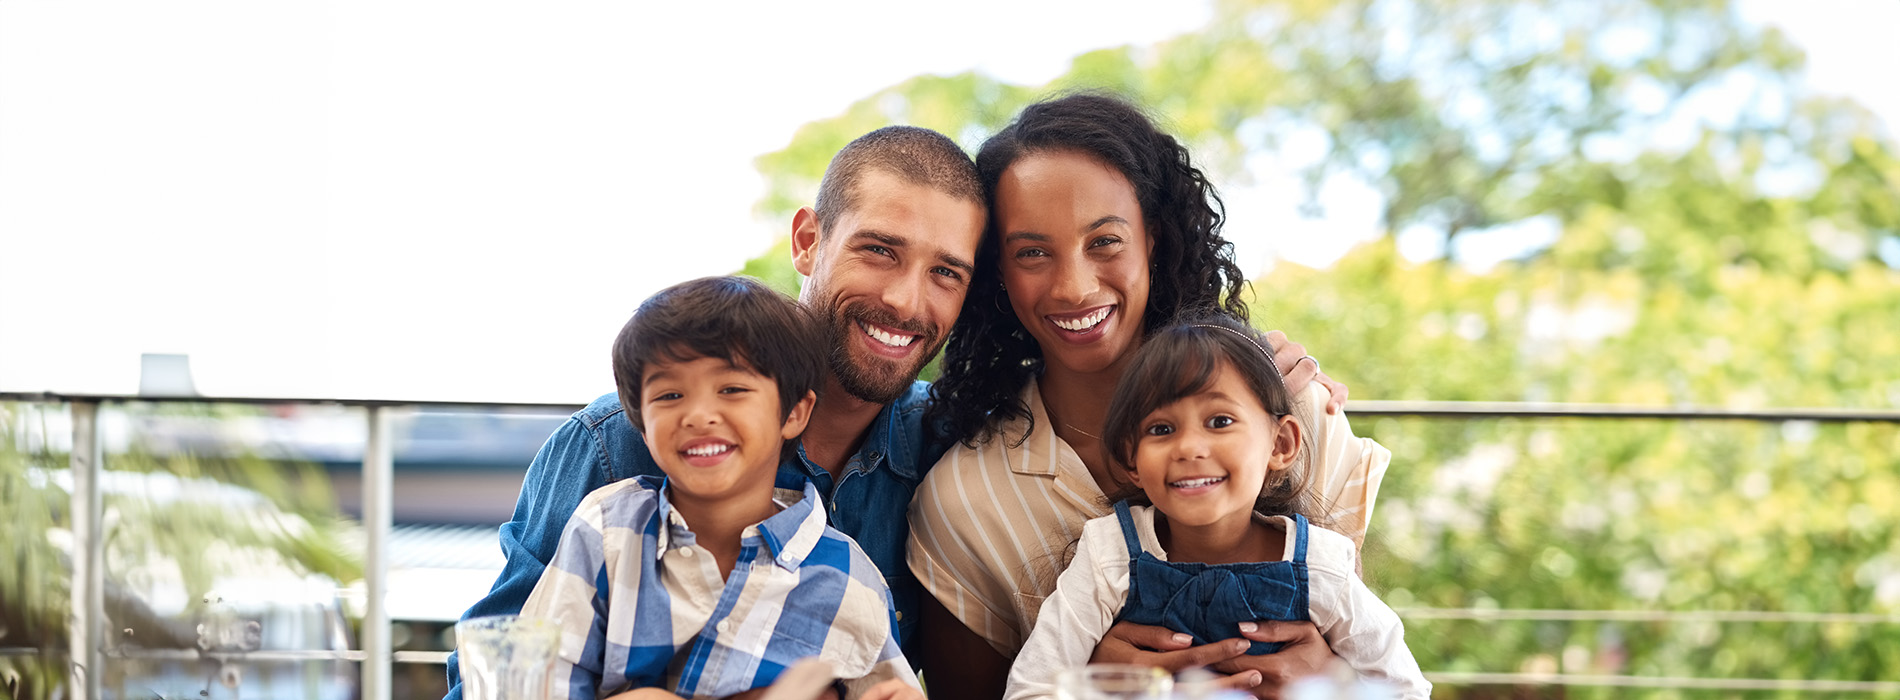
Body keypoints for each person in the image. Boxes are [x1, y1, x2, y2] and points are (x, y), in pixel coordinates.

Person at [447, 126, 987, 699]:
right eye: (879, 250)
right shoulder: (613, 449)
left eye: (946, 272)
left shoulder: (954, 449)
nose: (906, 300)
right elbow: (492, 683)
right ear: (807, 240)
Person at [909, 93, 1391, 698]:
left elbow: (1372, 652)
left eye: (1105, 241)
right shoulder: (965, 502)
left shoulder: (1296, 417)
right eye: (1032, 253)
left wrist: (1332, 680)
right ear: (997, 273)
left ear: (1153, 241)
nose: (1075, 286)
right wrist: (1084, 682)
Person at [518, 276, 922, 700]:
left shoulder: (851, 582)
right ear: (640, 421)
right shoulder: (606, 532)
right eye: (670, 395)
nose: (698, 415)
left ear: (794, 414)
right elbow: (533, 685)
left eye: (732, 389)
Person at [1003, 316, 1428, 700]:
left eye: (1220, 421)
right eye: (1162, 429)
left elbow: (1404, 690)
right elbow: (1031, 690)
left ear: (1280, 445)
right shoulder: (1108, 554)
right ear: (1132, 459)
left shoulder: (1321, 564)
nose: (1188, 447)